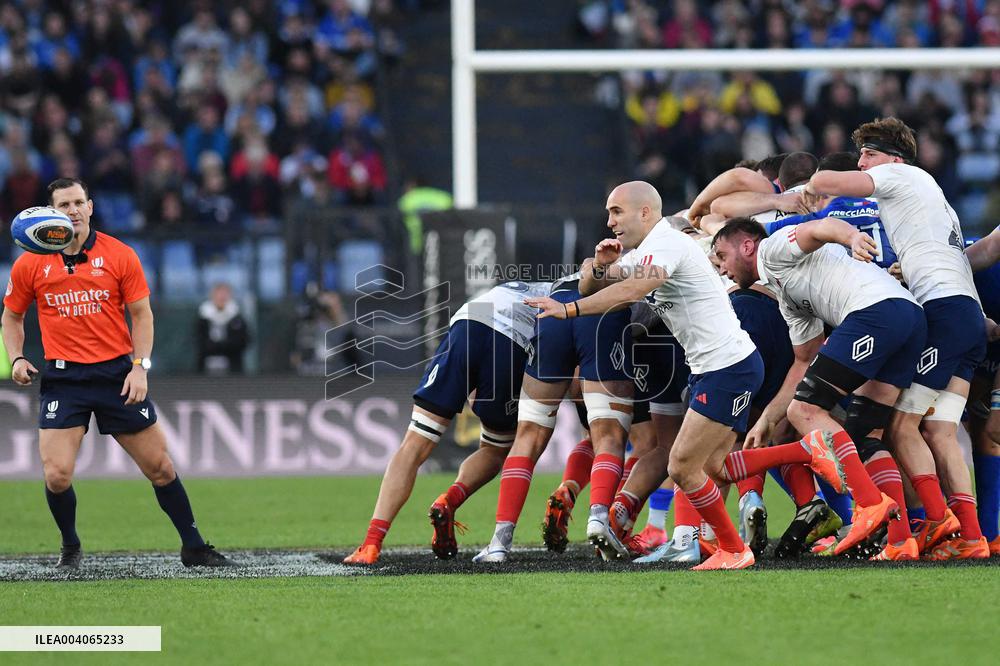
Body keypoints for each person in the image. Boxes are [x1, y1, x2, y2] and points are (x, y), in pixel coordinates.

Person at [527, 181, 816, 570]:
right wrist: (599, 264)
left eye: (616, 211)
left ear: (645, 212)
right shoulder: (645, 252)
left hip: (727, 367)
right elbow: (590, 283)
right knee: (715, 467)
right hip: (716, 367)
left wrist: (568, 310)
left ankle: (731, 548)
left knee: (680, 465)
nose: (610, 221)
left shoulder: (668, 245)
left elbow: (630, 292)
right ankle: (805, 452)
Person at [1, 177, 232, 568]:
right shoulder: (30, 262)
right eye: (64, 205)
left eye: (78, 202)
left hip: (116, 375)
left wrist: (140, 367)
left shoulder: (120, 255)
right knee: (57, 475)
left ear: (90, 207)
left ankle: (193, 547)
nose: (73, 210)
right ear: (50, 213)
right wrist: (17, 357)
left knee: (160, 467)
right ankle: (70, 546)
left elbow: (142, 316)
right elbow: (11, 317)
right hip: (64, 379)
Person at [806, 117, 991, 559]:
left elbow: (828, 180)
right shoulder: (932, 193)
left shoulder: (899, 175)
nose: (862, 163)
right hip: (966, 314)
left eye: (868, 154)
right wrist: (910, 268)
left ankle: (933, 522)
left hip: (943, 313)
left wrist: (813, 185)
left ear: (894, 158)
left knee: (897, 426)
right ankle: (971, 536)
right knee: (939, 431)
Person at [713, 215, 923, 560]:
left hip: (876, 311)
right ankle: (899, 543)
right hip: (909, 317)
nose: (721, 268)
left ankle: (870, 504)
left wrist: (852, 236)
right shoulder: (788, 296)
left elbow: (819, 227)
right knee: (865, 436)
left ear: (747, 246)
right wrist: (767, 419)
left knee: (805, 411)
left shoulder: (771, 250)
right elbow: (803, 361)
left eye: (722, 256)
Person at [343, 281, 552, 565]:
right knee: (496, 449)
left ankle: (370, 544)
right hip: (512, 340)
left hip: (469, 321)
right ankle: (449, 500)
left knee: (414, 443)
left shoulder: (531, 285)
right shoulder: (578, 294)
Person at [196, 282, 250, 374]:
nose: (221, 298)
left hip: (233, 368)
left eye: (224, 295)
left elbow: (243, 341)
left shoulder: (237, 319)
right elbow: (199, 342)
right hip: (206, 368)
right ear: (212, 296)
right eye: (218, 294)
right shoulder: (203, 318)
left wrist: (221, 346)